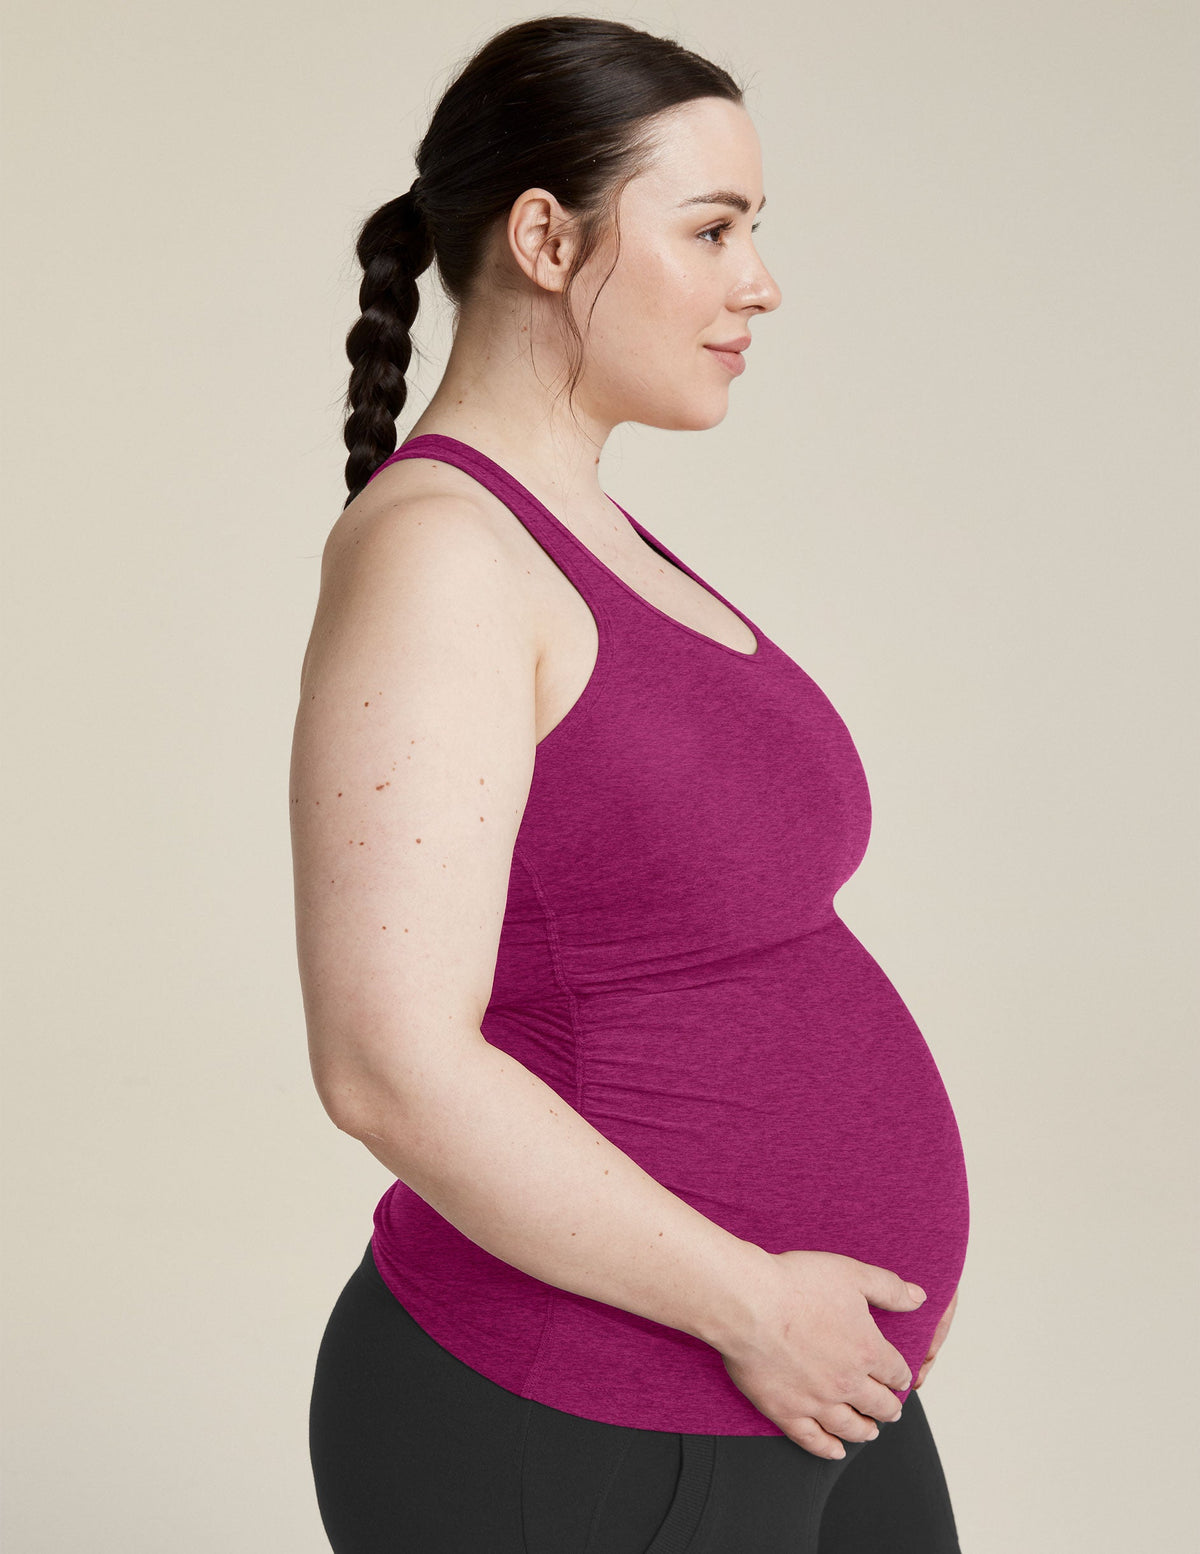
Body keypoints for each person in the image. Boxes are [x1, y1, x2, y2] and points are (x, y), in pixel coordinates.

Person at [290, 15, 968, 1553]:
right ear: (544, 236)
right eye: (713, 227)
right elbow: (385, 1063)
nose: (761, 282)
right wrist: (752, 1301)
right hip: (579, 1405)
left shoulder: (581, 527)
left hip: (785, 1372)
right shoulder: (440, 559)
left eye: (758, 230)